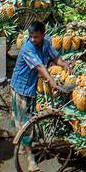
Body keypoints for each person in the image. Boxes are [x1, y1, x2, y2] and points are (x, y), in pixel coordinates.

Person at [9, 21, 60, 155]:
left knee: (26, 120)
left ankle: (22, 147)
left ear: (43, 35)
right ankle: (30, 158)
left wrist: (66, 65)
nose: (33, 39)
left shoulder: (47, 42)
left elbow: (55, 57)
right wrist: (51, 80)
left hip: (32, 87)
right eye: (31, 36)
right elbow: (39, 66)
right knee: (26, 124)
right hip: (21, 87)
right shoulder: (27, 48)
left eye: (36, 37)